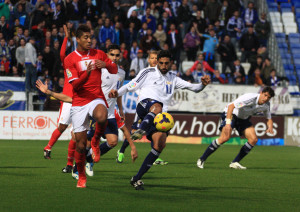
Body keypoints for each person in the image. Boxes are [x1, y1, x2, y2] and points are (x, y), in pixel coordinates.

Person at [109, 50, 210, 190]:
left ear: (171, 63)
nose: (163, 65)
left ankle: (136, 178)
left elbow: (193, 88)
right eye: (160, 62)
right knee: (157, 106)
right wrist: (117, 92)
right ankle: (142, 129)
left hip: (159, 117)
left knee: (159, 145)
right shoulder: (148, 72)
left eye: (166, 63)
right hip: (145, 106)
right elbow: (131, 85)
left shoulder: (173, 78)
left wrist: (203, 84)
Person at [64, 24, 117, 188]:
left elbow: (114, 69)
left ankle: (95, 142)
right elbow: (75, 87)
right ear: (78, 39)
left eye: (90, 37)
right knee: (80, 145)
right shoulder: (70, 59)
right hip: (79, 102)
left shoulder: (99, 54)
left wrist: (106, 64)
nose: (89, 40)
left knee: (102, 116)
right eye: (85, 38)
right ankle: (81, 176)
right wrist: (86, 74)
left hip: (96, 97)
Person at [197, 86, 275, 169]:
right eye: (265, 95)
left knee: (253, 139)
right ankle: (202, 159)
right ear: (261, 93)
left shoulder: (266, 105)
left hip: (243, 118)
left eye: (268, 97)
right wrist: (228, 124)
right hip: (232, 114)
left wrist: (270, 127)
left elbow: (268, 118)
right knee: (225, 138)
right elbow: (231, 106)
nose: (266, 98)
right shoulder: (250, 98)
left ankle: (235, 162)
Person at [117, 50, 167, 165]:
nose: (154, 60)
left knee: (155, 128)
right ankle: (121, 150)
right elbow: (135, 86)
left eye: (156, 58)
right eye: (152, 58)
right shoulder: (145, 72)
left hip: (154, 107)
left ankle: (154, 154)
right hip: (144, 105)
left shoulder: (162, 74)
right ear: (148, 60)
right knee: (135, 131)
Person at [43, 26, 75, 176]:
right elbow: (62, 53)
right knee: (62, 128)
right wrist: (66, 38)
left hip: (80, 103)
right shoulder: (68, 66)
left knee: (76, 135)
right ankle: (48, 147)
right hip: (67, 102)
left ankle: (70, 164)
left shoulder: (84, 69)